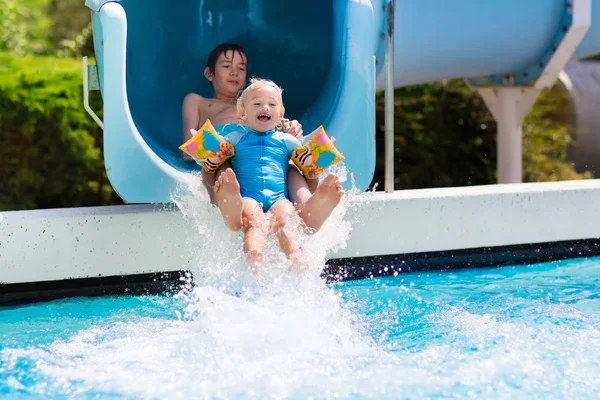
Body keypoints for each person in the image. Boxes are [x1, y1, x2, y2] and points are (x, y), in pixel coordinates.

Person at [181, 43, 343, 233]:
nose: (235, 72)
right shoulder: (197, 101)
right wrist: (208, 147)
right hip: (227, 152)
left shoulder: (256, 103)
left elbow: (278, 128)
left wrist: (292, 130)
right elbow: (187, 149)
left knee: (291, 166)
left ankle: (307, 204)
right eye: (227, 66)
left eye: (241, 68)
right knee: (222, 166)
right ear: (209, 73)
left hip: (264, 153)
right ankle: (225, 202)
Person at [216, 78, 305, 270]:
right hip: (248, 195)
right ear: (243, 114)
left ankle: (295, 255)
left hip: (279, 197)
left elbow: (305, 167)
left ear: (280, 113)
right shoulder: (234, 139)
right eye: (257, 104)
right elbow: (212, 159)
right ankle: (254, 253)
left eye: (272, 104)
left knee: (285, 219)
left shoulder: (289, 142)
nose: (265, 108)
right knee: (253, 221)